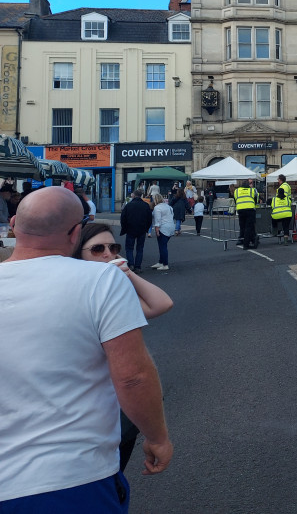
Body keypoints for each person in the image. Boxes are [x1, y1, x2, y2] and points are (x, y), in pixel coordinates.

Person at [0, 187, 172, 508]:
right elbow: (133, 376)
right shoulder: (100, 280)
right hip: (72, 476)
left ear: (13, 224)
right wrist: (158, 437)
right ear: (75, 233)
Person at [76, 222, 174, 473]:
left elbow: (161, 304)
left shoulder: (113, 292)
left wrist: (127, 273)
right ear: (78, 254)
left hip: (119, 410)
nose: (108, 254)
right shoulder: (74, 292)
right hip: (86, 412)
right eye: (98, 249)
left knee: (114, 475)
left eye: (114, 248)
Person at [120, 190, 154, 272]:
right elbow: (149, 219)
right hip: (142, 229)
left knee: (129, 248)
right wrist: (146, 228)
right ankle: (138, 266)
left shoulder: (129, 205)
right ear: (141, 196)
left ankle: (131, 264)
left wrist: (124, 228)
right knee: (140, 248)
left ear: (133, 195)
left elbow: (123, 218)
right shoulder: (146, 205)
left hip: (130, 228)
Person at [234, 179, 259, 249]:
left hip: (240, 210)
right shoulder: (252, 190)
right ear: (248, 184)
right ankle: (246, 244)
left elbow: (235, 199)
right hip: (250, 209)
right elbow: (256, 199)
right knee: (249, 227)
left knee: (243, 226)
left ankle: (244, 240)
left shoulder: (237, 191)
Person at [151, 194, 174, 271]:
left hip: (163, 228)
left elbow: (158, 220)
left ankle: (165, 264)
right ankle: (161, 262)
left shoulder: (157, 208)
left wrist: (157, 230)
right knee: (163, 245)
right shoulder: (169, 206)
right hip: (171, 226)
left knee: (162, 246)